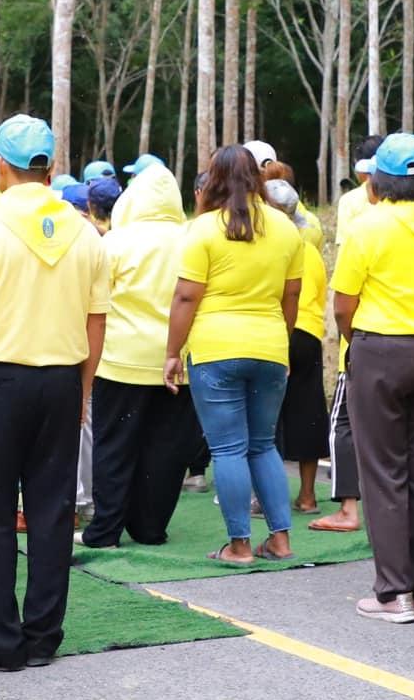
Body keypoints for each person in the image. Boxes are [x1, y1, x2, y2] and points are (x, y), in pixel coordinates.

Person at [0, 114, 110, 670]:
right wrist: (83, 388)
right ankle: (42, 636)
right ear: (50, 167)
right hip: (61, 378)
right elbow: (96, 321)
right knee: (52, 510)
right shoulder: (83, 232)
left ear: (1, 165)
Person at [331, 133, 414, 623]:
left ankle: (393, 594)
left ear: (380, 180)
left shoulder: (367, 227)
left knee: (384, 472)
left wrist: (359, 342)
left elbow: (343, 304)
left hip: (381, 350)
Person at [165, 145, 302, 566]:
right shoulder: (285, 228)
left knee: (227, 450)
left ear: (214, 180)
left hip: (216, 349)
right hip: (269, 345)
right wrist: (280, 342)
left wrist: (172, 352)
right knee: (263, 445)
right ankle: (280, 540)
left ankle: (239, 546)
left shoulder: (204, 229)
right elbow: (291, 295)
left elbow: (186, 296)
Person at [81, 163, 196, 548]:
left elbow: (95, 302)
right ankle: (150, 527)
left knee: (114, 447)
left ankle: (105, 530)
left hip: (120, 361)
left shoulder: (115, 241)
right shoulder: (193, 239)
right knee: (166, 450)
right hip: (178, 363)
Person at [314, 134, 385, 533]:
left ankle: (349, 509)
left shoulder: (355, 206)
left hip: (367, 332)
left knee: (344, 422)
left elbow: (346, 284)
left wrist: (346, 335)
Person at [264, 179, 330, 514]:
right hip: (309, 336)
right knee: (308, 411)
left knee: (266, 415)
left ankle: (264, 497)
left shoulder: (269, 247)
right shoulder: (311, 251)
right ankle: (307, 495)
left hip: (276, 331)